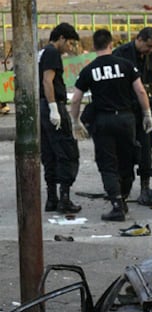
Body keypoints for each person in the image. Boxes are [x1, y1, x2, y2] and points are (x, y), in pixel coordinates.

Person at [70, 29, 152, 222]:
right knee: (127, 160)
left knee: (107, 164)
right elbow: (141, 91)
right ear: (110, 45)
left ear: (94, 47)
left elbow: (75, 100)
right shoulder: (126, 65)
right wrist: (147, 113)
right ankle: (124, 198)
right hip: (126, 119)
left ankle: (116, 204)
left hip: (103, 121)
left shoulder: (89, 69)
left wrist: (75, 122)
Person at [113, 27, 152, 205]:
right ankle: (121, 187)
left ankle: (145, 186)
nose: (150, 50)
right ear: (139, 39)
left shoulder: (150, 56)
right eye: (148, 46)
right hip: (125, 107)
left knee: (146, 146)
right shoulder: (121, 54)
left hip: (144, 108)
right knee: (124, 148)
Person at [39, 22, 83, 213]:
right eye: (70, 43)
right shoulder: (51, 53)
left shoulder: (42, 52)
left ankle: (52, 198)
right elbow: (47, 80)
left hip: (43, 107)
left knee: (50, 153)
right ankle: (64, 198)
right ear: (62, 38)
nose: (70, 48)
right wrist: (53, 108)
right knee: (67, 152)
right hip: (52, 105)